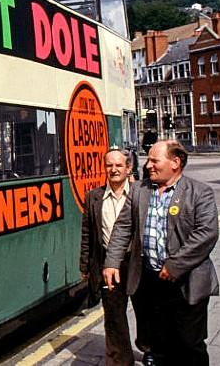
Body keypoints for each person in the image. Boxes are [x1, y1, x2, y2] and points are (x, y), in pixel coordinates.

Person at [104, 140, 220, 365]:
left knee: (189, 344)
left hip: (187, 281)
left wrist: (175, 265)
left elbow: (206, 234)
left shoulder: (199, 192)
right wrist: (111, 262)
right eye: (148, 160)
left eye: (154, 160)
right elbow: (123, 228)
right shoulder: (139, 190)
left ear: (175, 163)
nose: (148, 165)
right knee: (158, 344)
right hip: (150, 281)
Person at [79, 148, 136, 366]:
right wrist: (85, 264)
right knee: (113, 317)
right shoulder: (93, 197)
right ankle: (119, 360)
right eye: (109, 166)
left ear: (128, 168)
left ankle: (148, 347)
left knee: (146, 313)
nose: (113, 170)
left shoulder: (139, 193)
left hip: (136, 263)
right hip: (107, 265)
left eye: (118, 166)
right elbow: (87, 234)